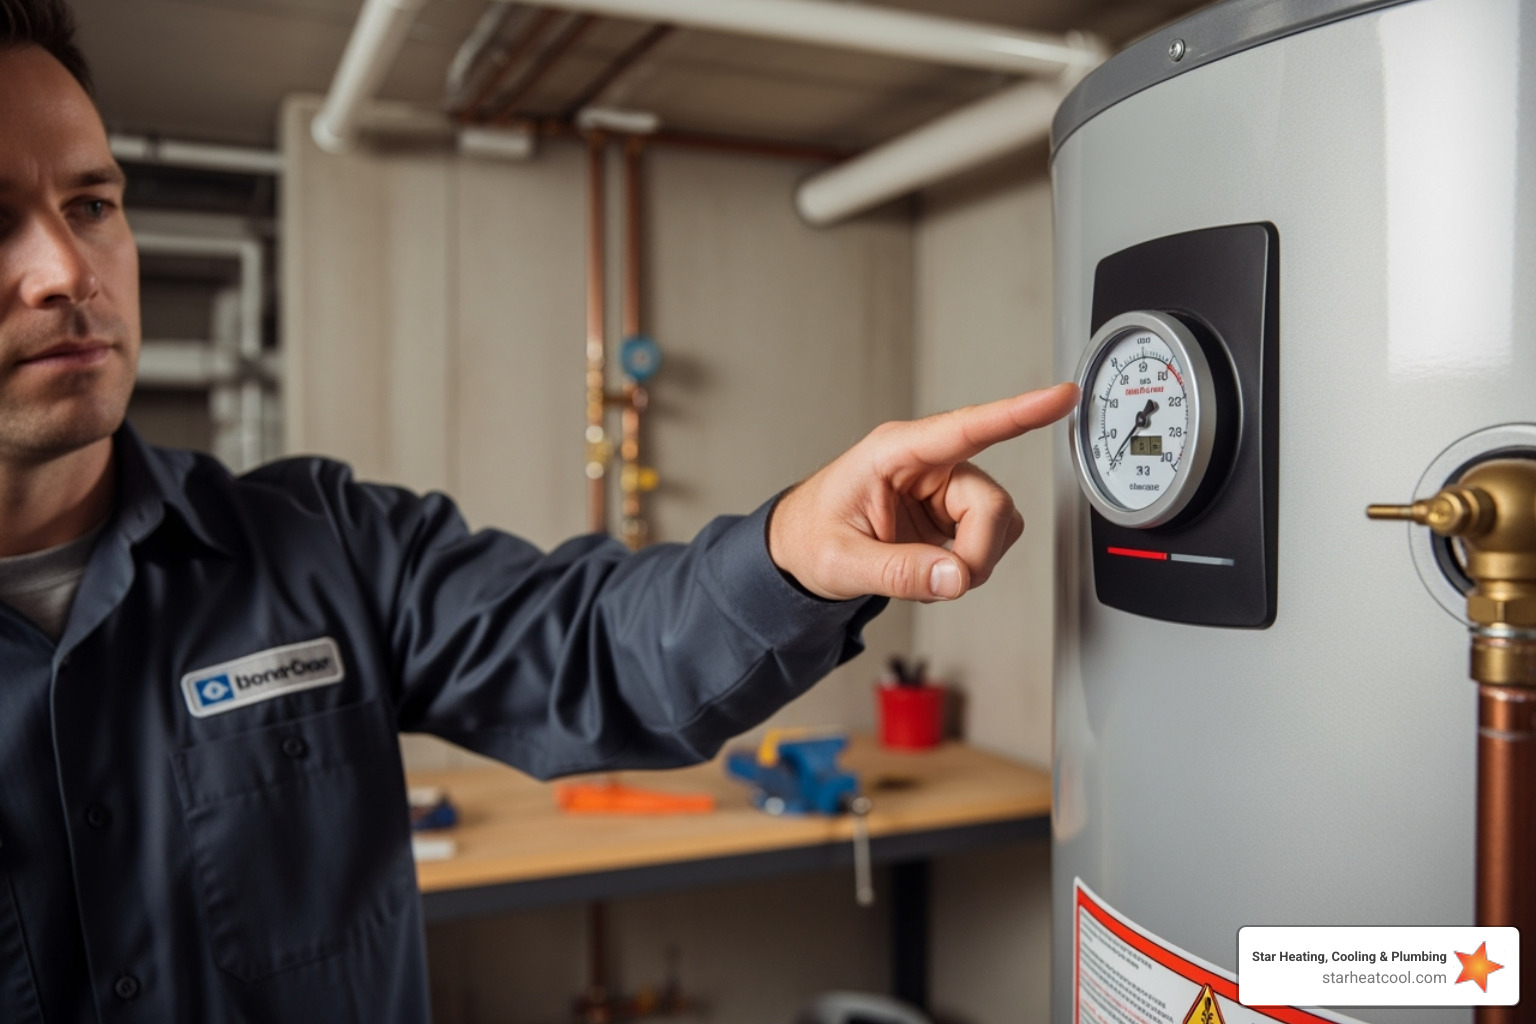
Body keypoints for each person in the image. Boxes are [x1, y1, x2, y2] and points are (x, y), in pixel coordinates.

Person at [0, 0, 1078, 1019]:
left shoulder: (318, 543)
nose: (65, 269)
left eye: (90, 204)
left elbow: (594, 643)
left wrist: (794, 546)